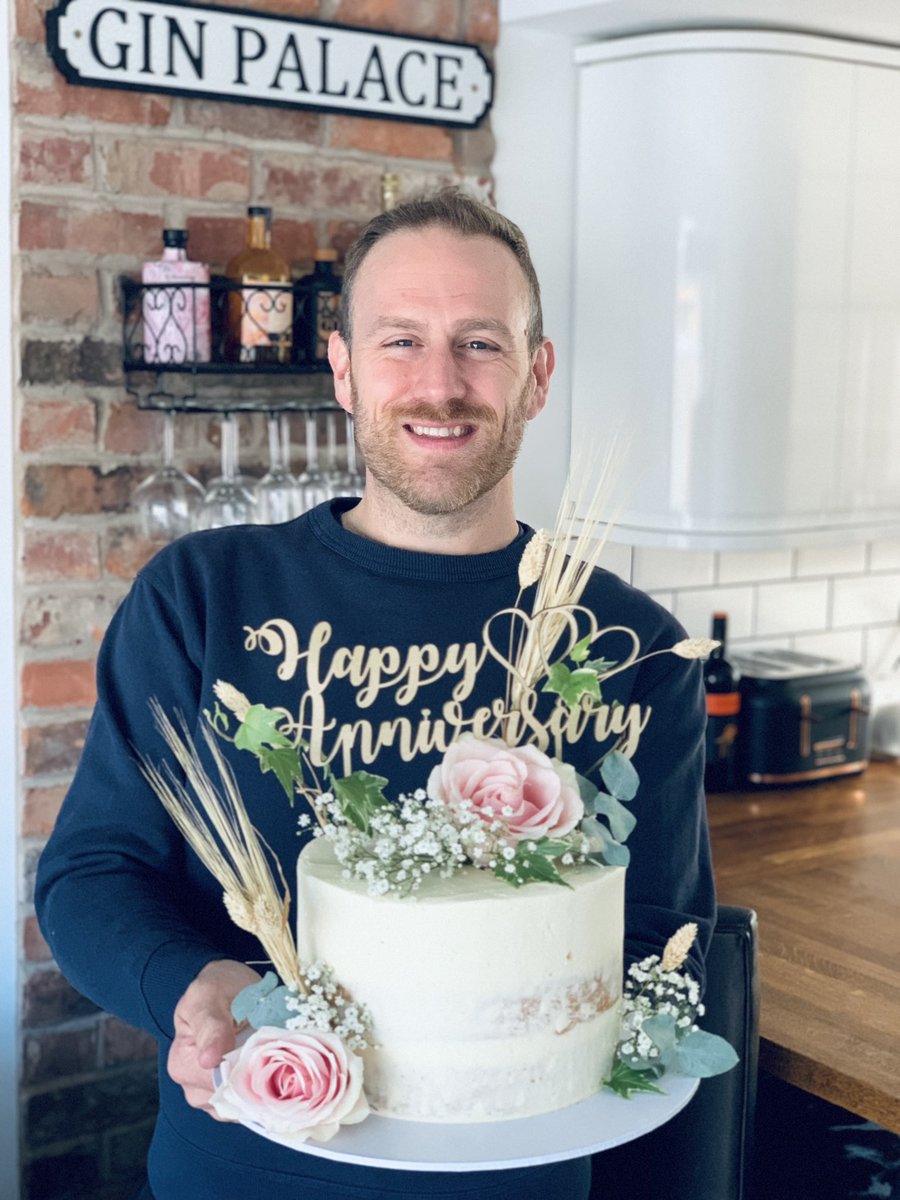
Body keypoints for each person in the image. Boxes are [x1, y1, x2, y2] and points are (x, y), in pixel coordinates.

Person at [36, 189, 715, 1200]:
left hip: (518, 1182)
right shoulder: (200, 600)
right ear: (345, 371)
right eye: (401, 341)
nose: (440, 386)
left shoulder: (635, 650)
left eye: (480, 343)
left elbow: (662, 934)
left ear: (537, 375)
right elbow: (90, 875)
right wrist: (196, 988)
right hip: (241, 1170)